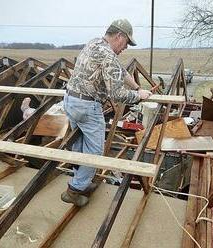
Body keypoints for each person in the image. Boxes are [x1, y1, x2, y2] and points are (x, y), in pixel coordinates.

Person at [61, 19, 152, 207]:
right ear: (119, 36)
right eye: (126, 43)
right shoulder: (108, 56)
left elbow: (119, 70)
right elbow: (117, 94)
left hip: (70, 101)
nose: (126, 47)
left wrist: (136, 86)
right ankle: (75, 190)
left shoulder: (95, 43)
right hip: (87, 107)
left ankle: (82, 180)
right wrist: (138, 95)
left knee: (79, 143)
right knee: (95, 152)